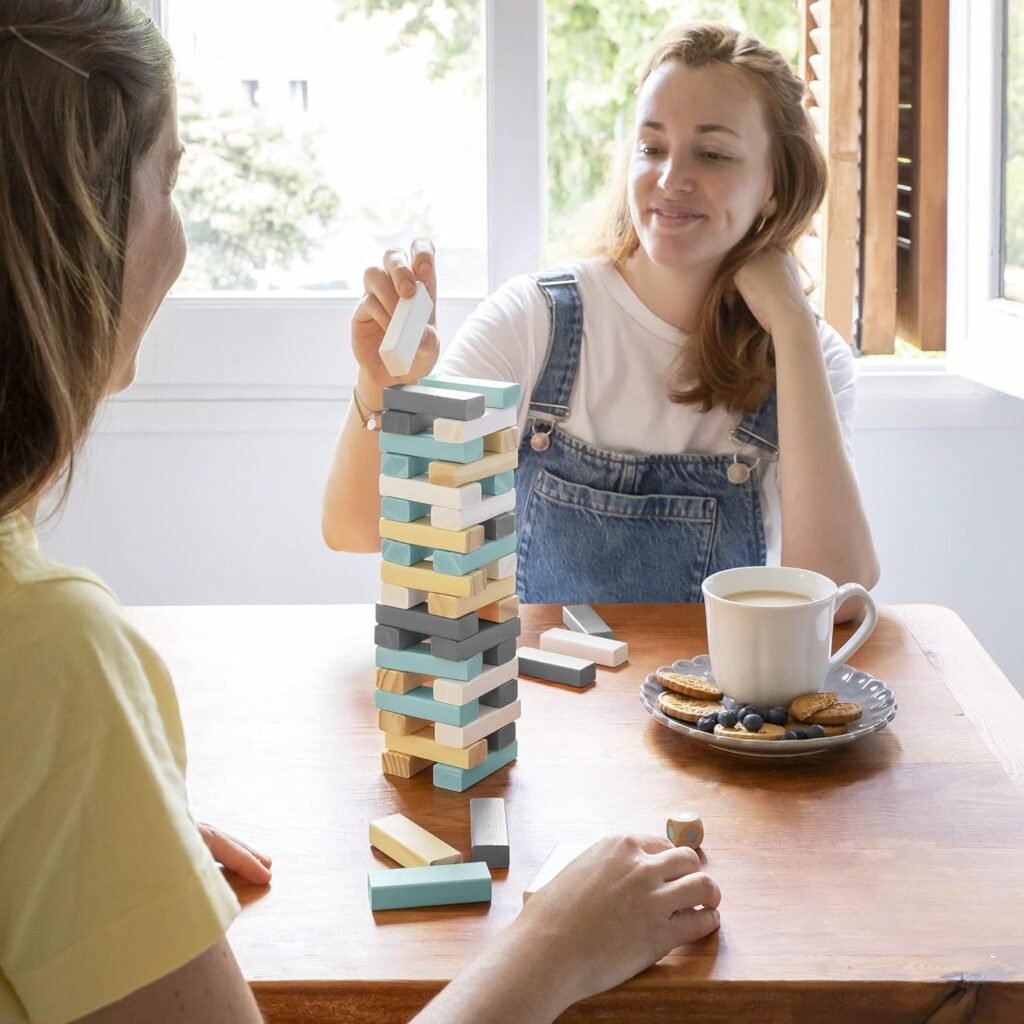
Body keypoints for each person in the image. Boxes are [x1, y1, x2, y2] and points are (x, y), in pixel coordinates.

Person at [0, 4, 721, 1022]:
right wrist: (555, 942)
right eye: (172, 178)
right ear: (80, 233)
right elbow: (357, 520)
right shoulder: (48, 651)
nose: (187, 238)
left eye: (715, 151)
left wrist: (89, 840)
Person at [323, 21, 880, 621]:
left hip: (713, 712)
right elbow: (359, 530)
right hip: (550, 706)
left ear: (776, 185)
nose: (671, 179)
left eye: (712, 153)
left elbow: (838, 595)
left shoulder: (812, 359)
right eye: (652, 147)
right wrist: (381, 382)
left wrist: (793, 328)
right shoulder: (535, 321)